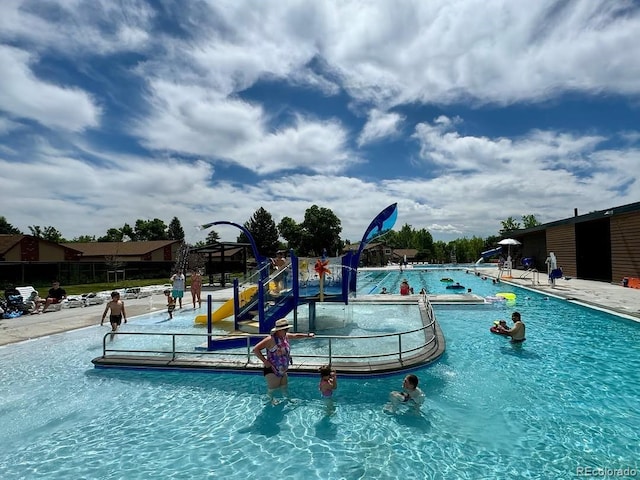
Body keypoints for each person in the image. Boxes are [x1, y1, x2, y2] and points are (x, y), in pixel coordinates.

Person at [253, 318, 315, 403]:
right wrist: (264, 361)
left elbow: (295, 336)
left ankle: (287, 400)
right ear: (278, 330)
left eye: (287, 329)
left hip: (283, 369)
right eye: (285, 329)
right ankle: (269, 402)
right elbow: (255, 349)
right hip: (272, 369)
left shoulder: (285, 336)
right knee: (272, 389)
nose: (287, 330)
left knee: (284, 387)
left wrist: (308, 335)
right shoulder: (270, 339)